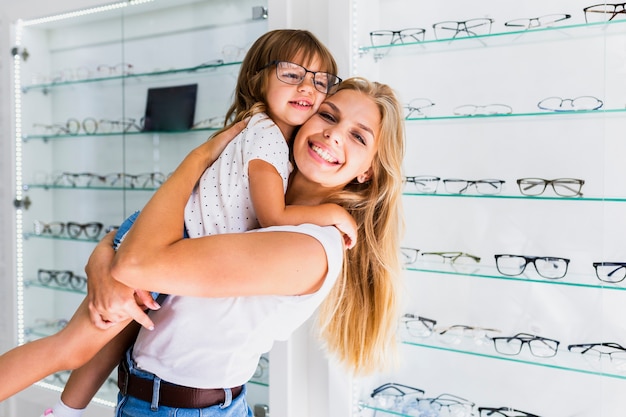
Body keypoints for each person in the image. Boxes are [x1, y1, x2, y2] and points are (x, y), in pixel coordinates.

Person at [0, 29, 353, 411]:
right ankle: (66, 409)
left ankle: (67, 409)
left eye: (320, 81)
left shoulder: (264, 137)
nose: (307, 87)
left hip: (162, 238)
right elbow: (275, 217)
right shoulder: (267, 138)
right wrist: (331, 213)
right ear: (258, 78)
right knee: (70, 347)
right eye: (291, 74)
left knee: (100, 340)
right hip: (165, 239)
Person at [90, 76, 406, 416]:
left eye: (358, 136)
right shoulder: (256, 197)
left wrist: (197, 158)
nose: (334, 134)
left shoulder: (311, 247)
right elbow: (147, 237)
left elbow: (136, 264)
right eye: (328, 115)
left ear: (368, 172)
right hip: (146, 397)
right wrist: (101, 259)